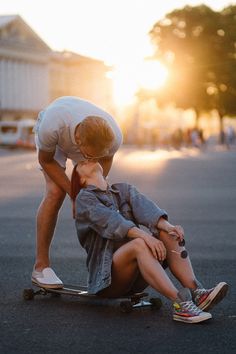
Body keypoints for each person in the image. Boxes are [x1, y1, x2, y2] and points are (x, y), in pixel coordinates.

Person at [71, 160, 228, 324]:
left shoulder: (123, 189)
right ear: (81, 179)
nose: (88, 160)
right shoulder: (84, 199)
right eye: (82, 163)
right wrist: (146, 237)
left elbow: (147, 210)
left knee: (169, 234)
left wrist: (169, 227)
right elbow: (113, 223)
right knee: (139, 244)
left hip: (138, 275)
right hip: (109, 281)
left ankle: (198, 293)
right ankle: (180, 304)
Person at [32, 96, 123, 288]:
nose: (90, 159)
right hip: (55, 141)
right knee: (55, 193)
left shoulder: (113, 136)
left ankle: (106, 265)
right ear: (78, 142)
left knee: (97, 201)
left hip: (88, 139)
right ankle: (41, 267)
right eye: (88, 155)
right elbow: (45, 161)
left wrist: (90, 195)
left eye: (95, 156)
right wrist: (74, 194)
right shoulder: (51, 126)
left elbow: (103, 162)